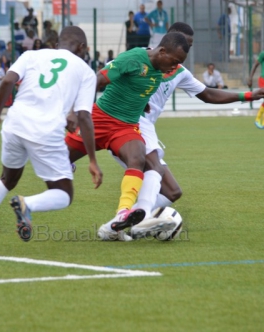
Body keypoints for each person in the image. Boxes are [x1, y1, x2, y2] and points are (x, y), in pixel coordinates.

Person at [0, 26, 101, 253]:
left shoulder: (31, 55)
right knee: (63, 194)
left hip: (15, 123)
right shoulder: (86, 71)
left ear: (57, 43)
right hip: (46, 130)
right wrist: (92, 160)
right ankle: (27, 204)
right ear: (81, 47)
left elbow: (7, 82)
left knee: (7, 179)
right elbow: (84, 116)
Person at [65, 32, 189, 241]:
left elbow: (138, 91)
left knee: (139, 159)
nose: (175, 67)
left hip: (126, 127)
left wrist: (142, 101)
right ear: (162, 51)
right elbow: (96, 81)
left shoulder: (158, 72)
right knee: (57, 160)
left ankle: (124, 213)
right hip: (100, 119)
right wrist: (73, 111)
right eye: (175, 61)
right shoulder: (133, 59)